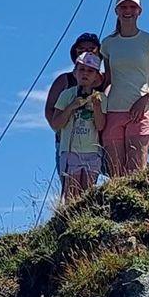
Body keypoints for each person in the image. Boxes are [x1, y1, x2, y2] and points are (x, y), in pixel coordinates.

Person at [100, 0, 149, 175]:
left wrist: (146, 98)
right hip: (114, 110)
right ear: (117, 11)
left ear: (139, 11)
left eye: (132, 7)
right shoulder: (108, 44)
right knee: (115, 174)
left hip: (142, 110)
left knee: (136, 172)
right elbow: (108, 80)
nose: (128, 11)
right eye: (123, 7)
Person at [48, 51, 108, 201]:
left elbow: (101, 126)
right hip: (70, 152)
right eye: (82, 69)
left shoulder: (100, 98)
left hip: (92, 151)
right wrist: (71, 107)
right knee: (71, 194)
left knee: (88, 194)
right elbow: (56, 124)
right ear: (75, 73)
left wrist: (97, 107)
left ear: (96, 77)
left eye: (90, 71)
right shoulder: (66, 95)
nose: (85, 74)